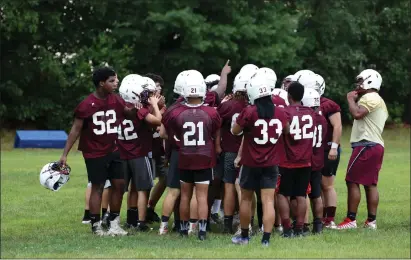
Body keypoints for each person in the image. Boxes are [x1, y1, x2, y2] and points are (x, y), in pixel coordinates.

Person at [59, 67, 134, 236]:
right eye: (112, 81)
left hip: (114, 149)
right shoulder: (86, 104)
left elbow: (128, 114)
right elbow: (75, 130)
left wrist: (136, 107)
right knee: (98, 187)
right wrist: (64, 154)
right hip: (94, 152)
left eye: (116, 80)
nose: (116, 83)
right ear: (101, 83)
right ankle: (96, 225)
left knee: (119, 185)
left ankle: (114, 223)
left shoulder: (116, 99)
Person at [161, 70, 221, 241]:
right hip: (204, 157)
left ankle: (183, 229)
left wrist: (177, 140)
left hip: (185, 156)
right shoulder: (211, 112)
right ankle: (201, 231)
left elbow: (164, 133)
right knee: (201, 196)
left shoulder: (175, 112)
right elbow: (215, 133)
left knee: (185, 196)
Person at [231, 69, 288, 246]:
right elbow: (286, 131)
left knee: (246, 199)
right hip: (271, 163)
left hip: (250, 162)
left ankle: (245, 236)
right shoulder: (280, 112)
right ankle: (266, 239)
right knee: (268, 200)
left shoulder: (249, 111)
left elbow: (235, 131)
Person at [336, 69, 388, 230]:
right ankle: (371, 221)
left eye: (361, 80)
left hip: (366, 145)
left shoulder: (370, 97)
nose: (358, 84)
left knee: (352, 181)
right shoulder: (377, 99)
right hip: (374, 145)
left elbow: (357, 113)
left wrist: (350, 99)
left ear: (370, 81)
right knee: (370, 184)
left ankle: (350, 219)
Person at [117, 74, 162, 231]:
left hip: (121, 153)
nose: (146, 97)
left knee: (124, 189)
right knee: (142, 189)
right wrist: (156, 105)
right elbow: (158, 121)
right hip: (139, 153)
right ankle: (141, 222)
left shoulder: (118, 106)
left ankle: (127, 219)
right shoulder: (140, 110)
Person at [277, 82, 315, 238]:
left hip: (287, 159)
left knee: (282, 194)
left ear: (288, 96)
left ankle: (286, 228)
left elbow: (284, 131)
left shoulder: (285, 112)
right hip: (305, 159)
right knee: (301, 195)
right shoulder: (311, 113)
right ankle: (299, 227)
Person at [216, 71, 249, 234]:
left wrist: (217, 145)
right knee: (247, 190)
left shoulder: (228, 105)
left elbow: (217, 126)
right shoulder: (252, 107)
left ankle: (228, 224)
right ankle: (247, 224)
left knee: (229, 186)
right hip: (249, 152)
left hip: (229, 150)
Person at [158, 71, 187, 235]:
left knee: (173, 191)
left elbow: (162, 134)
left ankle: (163, 226)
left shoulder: (172, 109)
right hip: (194, 153)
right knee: (192, 192)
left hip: (176, 153)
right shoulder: (199, 109)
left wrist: (174, 139)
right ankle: (191, 226)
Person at [301, 88, 328, 234]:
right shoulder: (322, 119)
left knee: (303, 194)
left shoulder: (306, 117)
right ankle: (318, 225)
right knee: (316, 195)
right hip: (318, 160)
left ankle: (304, 224)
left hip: (306, 160)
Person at [145, 73, 167, 224]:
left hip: (159, 147)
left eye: (160, 87)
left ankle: (149, 207)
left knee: (165, 178)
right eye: (156, 86)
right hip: (146, 148)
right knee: (146, 182)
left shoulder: (162, 105)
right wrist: (156, 106)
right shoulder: (142, 104)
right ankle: (141, 212)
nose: (159, 90)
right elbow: (153, 122)